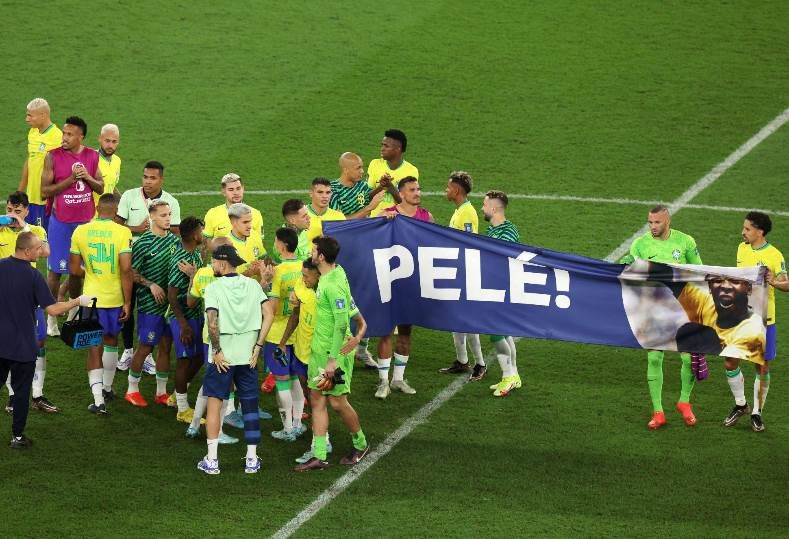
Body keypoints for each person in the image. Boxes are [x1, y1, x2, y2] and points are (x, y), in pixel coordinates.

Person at [0, 231, 92, 448]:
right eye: (38, 248)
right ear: (27, 251)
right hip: (23, 346)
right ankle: (17, 437)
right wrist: (77, 301)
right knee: (22, 392)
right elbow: (53, 309)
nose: (41, 252)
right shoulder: (33, 276)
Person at [622, 205, 702, 429]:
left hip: (682, 307)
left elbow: (700, 271)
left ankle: (684, 402)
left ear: (668, 221)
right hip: (654, 308)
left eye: (657, 222)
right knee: (655, 358)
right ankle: (658, 412)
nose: (653, 226)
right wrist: (625, 263)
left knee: (688, 359)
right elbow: (629, 269)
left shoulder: (685, 242)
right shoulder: (640, 244)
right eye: (650, 222)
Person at [197, 245, 274, 475]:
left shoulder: (214, 287)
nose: (212, 264)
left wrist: (217, 350)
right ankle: (251, 459)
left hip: (223, 357)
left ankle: (212, 461)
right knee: (250, 406)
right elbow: (269, 314)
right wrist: (258, 346)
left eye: (213, 261)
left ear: (222, 263)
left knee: (214, 405)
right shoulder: (253, 285)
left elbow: (212, 320)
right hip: (248, 355)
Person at [295, 236, 370, 471]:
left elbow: (340, 324)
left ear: (321, 256)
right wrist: (360, 329)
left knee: (337, 402)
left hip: (332, 355)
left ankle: (361, 444)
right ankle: (319, 455)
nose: (310, 253)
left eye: (313, 250)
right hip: (319, 351)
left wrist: (333, 360)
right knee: (316, 398)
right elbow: (349, 307)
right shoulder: (334, 273)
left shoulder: (331, 285)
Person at [68, 194, 133, 413]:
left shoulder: (80, 231)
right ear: (116, 212)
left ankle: (98, 401)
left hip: (90, 299)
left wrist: (90, 274)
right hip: (114, 298)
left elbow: (74, 270)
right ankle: (107, 388)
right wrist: (127, 302)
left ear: (97, 208)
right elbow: (126, 269)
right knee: (112, 340)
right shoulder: (123, 232)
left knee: (94, 347)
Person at [40, 116, 104, 337]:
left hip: (85, 225)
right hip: (61, 224)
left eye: (69, 134)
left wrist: (86, 177)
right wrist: (70, 179)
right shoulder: (53, 156)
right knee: (55, 272)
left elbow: (101, 187)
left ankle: (73, 310)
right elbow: (44, 191)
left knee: (77, 273)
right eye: (64, 133)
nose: (64, 137)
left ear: (81, 137)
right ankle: (51, 317)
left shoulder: (92, 156)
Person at [723, 211, 787, 432]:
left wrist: (774, 281)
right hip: (740, 316)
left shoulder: (774, 255)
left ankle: (757, 412)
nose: (743, 232)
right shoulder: (741, 248)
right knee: (730, 361)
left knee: (761, 366)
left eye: (747, 229)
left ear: (760, 232)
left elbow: (786, 283)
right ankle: (741, 404)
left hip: (764, 319)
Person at [116, 160, 181, 370]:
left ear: (161, 179)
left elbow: (176, 231)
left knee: (153, 309)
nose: (148, 181)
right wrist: (137, 229)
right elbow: (117, 226)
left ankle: (148, 354)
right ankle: (128, 349)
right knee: (128, 305)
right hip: (129, 260)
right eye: (145, 177)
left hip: (156, 264)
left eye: (153, 178)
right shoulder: (129, 196)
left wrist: (158, 228)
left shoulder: (171, 202)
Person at [374, 177, 433, 399]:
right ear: (401, 193)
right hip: (389, 283)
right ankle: (383, 382)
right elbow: (370, 237)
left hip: (412, 284)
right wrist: (382, 220)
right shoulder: (388, 213)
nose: (418, 193)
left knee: (406, 332)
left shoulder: (426, 217)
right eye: (412, 189)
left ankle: (398, 379)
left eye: (418, 189)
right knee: (386, 332)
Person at [0, 192, 57, 413]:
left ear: (26, 211)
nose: (12, 215)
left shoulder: (36, 231)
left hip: (30, 298)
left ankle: (38, 394)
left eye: (17, 211)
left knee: (40, 342)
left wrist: (24, 227)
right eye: (9, 210)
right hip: (5, 299)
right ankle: (13, 396)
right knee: (9, 346)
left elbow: (46, 252)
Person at [183, 237, 243, 444]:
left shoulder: (202, 274)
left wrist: (193, 277)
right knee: (222, 387)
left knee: (209, 383)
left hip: (208, 336)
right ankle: (217, 431)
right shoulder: (233, 277)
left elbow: (190, 301)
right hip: (227, 338)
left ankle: (194, 426)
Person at [278, 258, 334, 463]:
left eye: (306, 275)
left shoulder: (328, 292)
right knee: (310, 397)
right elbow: (296, 314)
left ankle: (323, 442)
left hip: (319, 357)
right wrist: (283, 341)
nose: (303, 279)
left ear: (318, 275)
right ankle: (321, 439)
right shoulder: (302, 287)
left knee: (329, 400)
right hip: (302, 354)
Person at [124, 200, 179, 407]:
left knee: (165, 346)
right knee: (145, 347)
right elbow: (131, 272)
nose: (168, 219)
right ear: (152, 217)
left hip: (169, 306)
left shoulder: (174, 241)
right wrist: (151, 285)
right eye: (163, 215)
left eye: (169, 214)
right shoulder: (142, 243)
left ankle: (161, 392)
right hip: (149, 305)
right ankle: (132, 390)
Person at [439, 171, 487, 381]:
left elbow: (468, 244)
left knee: (467, 320)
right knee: (455, 319)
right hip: (456, 271)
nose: (446, 190)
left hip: (464, 272)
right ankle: (462, 360)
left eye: (448, 187)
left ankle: (480, 363)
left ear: (457, 190)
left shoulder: (467, 212)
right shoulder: (460, 210)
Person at [264, 228, 308, 442]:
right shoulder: (304, 268)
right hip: (298, 332)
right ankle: (298, 423)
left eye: (276, 241)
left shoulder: (277, 271)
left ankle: (287, 428)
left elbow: (272, 309)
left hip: (277, 335)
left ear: (282, 245)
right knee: (295, 378)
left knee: (282, 380)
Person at [482, 190, 522, 397]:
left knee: (496, 334)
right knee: (504, 333)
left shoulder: (508, 231)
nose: (482, 208)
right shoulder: (493, 230)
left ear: (494, 208)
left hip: (504, 288)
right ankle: (513, 375)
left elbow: (506, 258)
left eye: (484, 204)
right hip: (496, 287)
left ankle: (508, 376)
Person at [166, 216, 206, 423]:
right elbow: (172, 294)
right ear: (193, 235)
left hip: (195, 314)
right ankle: (182, 409)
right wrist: (182, 324)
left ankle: (176, 396)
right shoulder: (181, 260)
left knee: (199, 356)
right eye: (201, 231)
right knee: (184, 360)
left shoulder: (195, 253)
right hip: (182, 317)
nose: (203, 234)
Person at [18, 98, 62, 229]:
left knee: (43, 238)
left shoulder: (57, 137)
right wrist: (20, 192)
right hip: (30, 198)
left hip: (45, 201)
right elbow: (30, 160)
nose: (27, 119)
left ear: (43, 115)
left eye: (30, 115)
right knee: (28, 235)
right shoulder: (33, 132)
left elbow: (61, 170)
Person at [203, 173, 264, 240]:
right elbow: (206, 242)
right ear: (223, 192)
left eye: (238, 188)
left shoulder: (256, 214)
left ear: (243, 188)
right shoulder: (212, 214)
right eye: (231, 189)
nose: (236, 193)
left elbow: (259, 243)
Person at [366, 129, 412, 216]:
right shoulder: (375, 164)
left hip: (397, 220)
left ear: (398, 149)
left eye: (386, 146)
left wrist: (390, 186)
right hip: (375, 219)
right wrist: (381, 186)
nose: (382, 149)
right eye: (382, 145)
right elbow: (366, 198)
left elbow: (408, 204)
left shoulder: (411, 170)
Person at [329, 152, 386, 219]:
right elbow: (338, 221)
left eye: (362, 167)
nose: (362, 171)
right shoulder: (332, 190)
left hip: (365, 225)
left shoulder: (362, 185)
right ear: (346, 170)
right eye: (358, 168)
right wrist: (369, 208)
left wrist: (381, 186)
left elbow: (369, 197)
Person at [305, 177, 346, 243]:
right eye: (320, 192)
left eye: (328, 192)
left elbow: (344, 241)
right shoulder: (300, 214)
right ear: (311, 193)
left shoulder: (339, 217)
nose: (325, 196)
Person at [95, 124, 122, 200]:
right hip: (93, 207)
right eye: (107, 141)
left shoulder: (117, 160)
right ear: (100, 139)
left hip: (108, 207)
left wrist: (123, 202)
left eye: (114, 142)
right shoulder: (91, 160)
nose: (110, 146)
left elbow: (112, 186)